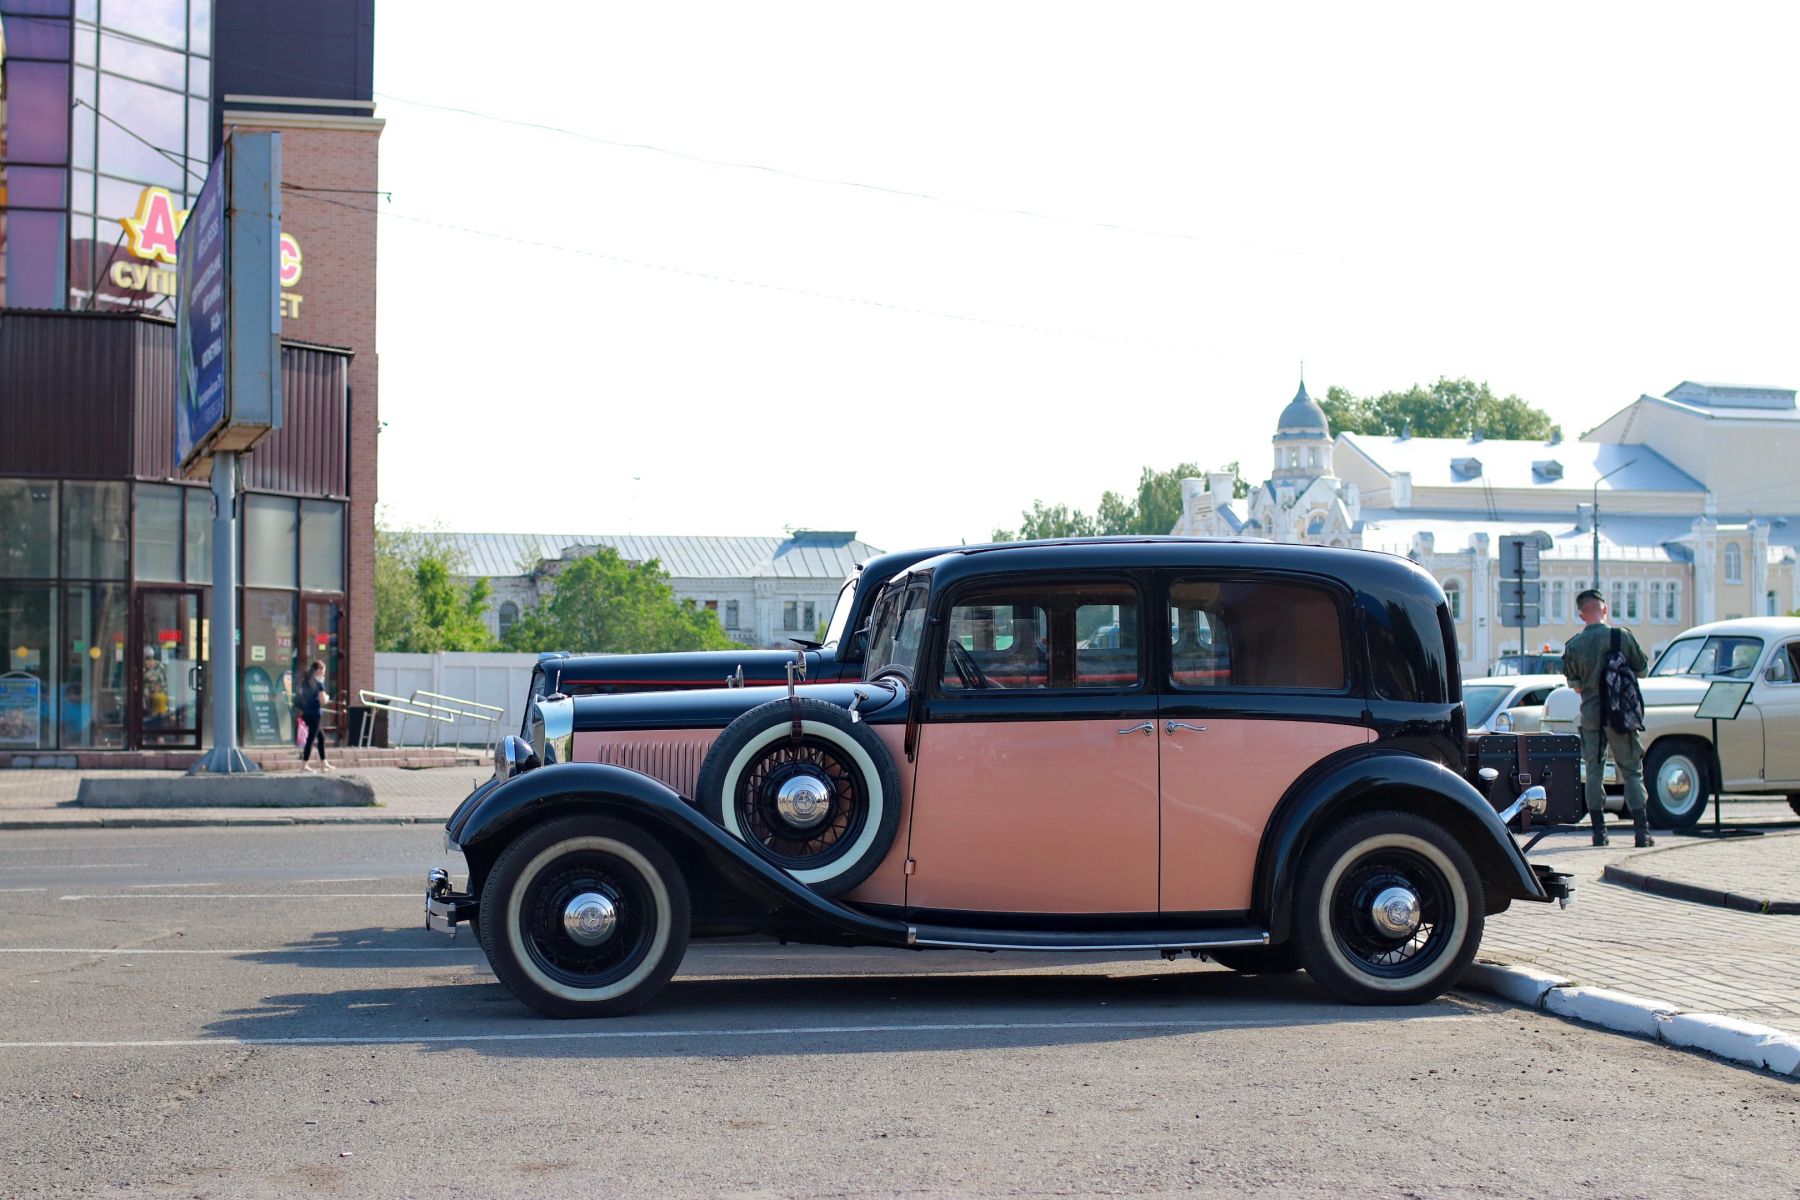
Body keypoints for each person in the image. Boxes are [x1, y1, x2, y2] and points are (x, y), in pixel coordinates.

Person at [1562, 589, 1650, 847]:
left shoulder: (1574, 646)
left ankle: (1599, 833)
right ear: (1604, 609)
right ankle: (1642, 833)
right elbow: (1642, 670)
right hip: (1620, 715)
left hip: (1591, 715)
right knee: (1632, 770)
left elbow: (1576, 686)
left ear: (1581, 614)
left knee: (1593, 771)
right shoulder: (1621, 637)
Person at [296, 660, 333, 772]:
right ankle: (304, 765)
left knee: (321, 737)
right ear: (318, 671)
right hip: (315, 714)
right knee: (311, 739)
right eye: (323, 671)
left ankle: (324, 762)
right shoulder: (319, 684)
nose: (324, 674)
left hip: (306, 713)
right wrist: (327, 697)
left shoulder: (305, 682)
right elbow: (322, 700)